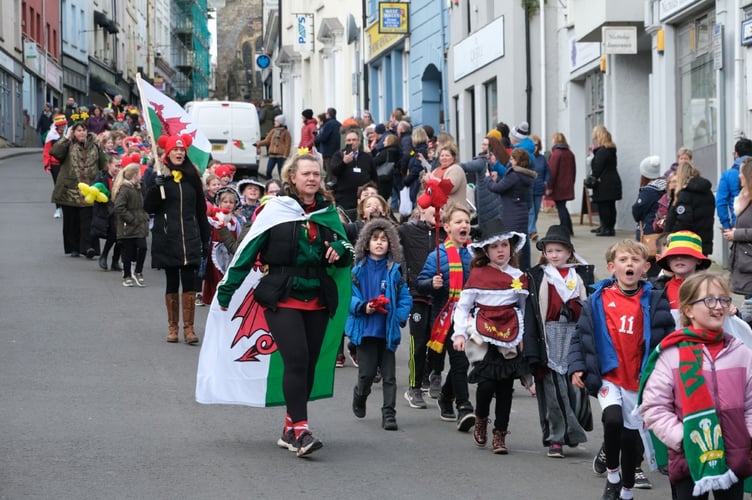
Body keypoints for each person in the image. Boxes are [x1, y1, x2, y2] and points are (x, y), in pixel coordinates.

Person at [216, 153, 354, 457]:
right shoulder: (275, 210)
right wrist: (226, 291)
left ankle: (290, 427)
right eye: (306, 173)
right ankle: (302, 431)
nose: (312, 179)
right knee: (296, 358)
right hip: (280, 294)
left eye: (316, 174)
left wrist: (339, 250)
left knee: (309, 363)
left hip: (318, 294)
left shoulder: (327, 212)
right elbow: (247, 251)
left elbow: (347, 250)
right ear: (292, 177)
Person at [568, 239, 675, 500]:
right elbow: (580, 337)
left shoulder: (655, 301)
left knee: (630, 440)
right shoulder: (597, 300)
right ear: (611, 267)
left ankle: (626, 490)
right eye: (623, 260)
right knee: (612, 419)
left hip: (639, 381)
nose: (629, 264)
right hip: (608, 375)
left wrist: (667, 374)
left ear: (645, 268)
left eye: (635, 260)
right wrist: (578, 366)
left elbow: (666, 339)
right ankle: (613, 474)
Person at [639, 272, 752, 500]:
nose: (719, 306)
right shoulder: (672, 353)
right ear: (688, 310)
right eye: (709, 300)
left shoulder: (740, 352)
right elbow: (654, 407)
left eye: (724, 299)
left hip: (734, 456)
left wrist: (746, 436)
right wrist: (682, 438)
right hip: (687, 458)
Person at [451, 219, 537, 454]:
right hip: (483, 334)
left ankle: (500, 434)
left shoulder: (518, 276)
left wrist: (523, 340)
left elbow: (523, 309)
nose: (501, 250)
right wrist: (459, 333)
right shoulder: (478, 275)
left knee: (504, 388)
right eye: (495, 246)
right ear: (486, 251)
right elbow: (463, 306)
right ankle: (480, 418)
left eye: (505, 245)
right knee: (487, 384)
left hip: (509, 335)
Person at [526, 225, 593, 458]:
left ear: (569, 252)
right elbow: (532, 314)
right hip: (549, 337)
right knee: (553, 393)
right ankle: (556, 439)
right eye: (549, 250)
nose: (554, 255)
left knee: (576, 391)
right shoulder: (538, 277)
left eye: (559, 250)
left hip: (574, 337)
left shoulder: (580, 276)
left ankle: (571, 430)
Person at [143, 134, 211, 345]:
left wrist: (205, 236)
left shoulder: (193, 178)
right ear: (168, 153)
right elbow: (149, 208)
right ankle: (173, 328)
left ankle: (189, 329)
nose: (179, 153)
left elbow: (201, 211)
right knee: (172, 282)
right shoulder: (160, 178)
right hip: (168, 237)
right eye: (175, 150)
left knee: (190, 283)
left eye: (182, 150)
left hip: (190, 236)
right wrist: (155, 187)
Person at [348, 218, 412, 431]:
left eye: (384, 239)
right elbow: (349, 295)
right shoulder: (357, 270)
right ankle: (360, 394)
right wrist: (362, 306)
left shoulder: (394, 271)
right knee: (366, 374)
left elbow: (405, 297)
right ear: (366, 243)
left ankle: (389, 413)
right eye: (374, 239)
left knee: (389, 376)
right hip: (366, 330)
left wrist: (399, 315)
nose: (379, 243)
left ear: (390, 244)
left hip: (387, 330)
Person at [416, 203, 475, 432]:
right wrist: (432, 283)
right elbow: (421, 284)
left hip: (471, 317)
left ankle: (446, 395)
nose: (464, 226)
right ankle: (464, 407)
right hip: (448, 316)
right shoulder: (437, 256)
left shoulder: (475, 253)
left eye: (467, 222)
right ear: (447, 227)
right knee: (460, 361)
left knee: (464, 362)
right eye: (459, 222)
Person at [399, 204, 447, 408]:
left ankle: (435, 375)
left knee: (438, 340)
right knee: (418, 343)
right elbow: (384, 234)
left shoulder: (448, 234)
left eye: (443, 209)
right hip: (417, 294)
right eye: (433, 209)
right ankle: (414, 387)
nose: (438, 213)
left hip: (442, 297)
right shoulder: (408, 230)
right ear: (421, 209)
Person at [50, 112, 108, 258]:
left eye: (84, 130)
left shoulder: (95, 146)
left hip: (89, 188)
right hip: (70, 188)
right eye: (79, 130)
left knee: (88, 220)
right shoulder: (67, 145)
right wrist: (66, 137)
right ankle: (74, 247)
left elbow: (103, 164)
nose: (82, 133)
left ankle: (88, 248)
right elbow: (54, 152)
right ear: (73, 132)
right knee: (72, 221)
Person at [488, 148, 537, 270]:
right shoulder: (525, 174)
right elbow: (508, 187)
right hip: (522, 213)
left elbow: (498, 188)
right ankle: (525, 269)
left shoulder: (514, 175)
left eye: (511, 159)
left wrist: (488, 179)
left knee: (512, 244)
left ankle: (515, 269)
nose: (510, 161)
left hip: (511, 214)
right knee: (523, 243)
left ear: (516, 161)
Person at [664, 161, 715, 256]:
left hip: (687, 243)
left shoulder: (685, 194)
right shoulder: (708, 193)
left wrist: (671, 236)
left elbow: (684, 220)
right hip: (703, 241)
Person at [202, 186, 242, 306]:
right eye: (225, 202)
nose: (228, 205)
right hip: (216, 252)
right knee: (216, 277)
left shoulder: (236, 220)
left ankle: (227, 301)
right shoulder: (215, 218)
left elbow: (239, 235)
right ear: (219, 203)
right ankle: (215, 300)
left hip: (230, 252)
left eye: (231, 202)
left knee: (227, 277)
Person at [113, 162, 149, 287]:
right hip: (128, 226)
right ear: (134, 175)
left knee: (142, 247)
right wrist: (131, 219)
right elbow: (119, 207)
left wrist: (145, 216)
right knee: (128, 252)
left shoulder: (139, 187)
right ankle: (127, 275)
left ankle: (138, 271)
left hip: (139, 224)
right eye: (139, 173)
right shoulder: (125, 189)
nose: (141, 176)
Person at [329, 130, 378, 220]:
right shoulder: (339, 155)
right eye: (349, 140)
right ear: (345, 142)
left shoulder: (366, 157)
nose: (351, 142)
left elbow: (374, 176)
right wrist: (344, 162)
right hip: (344, 198)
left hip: (363, 198)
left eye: (354, 140)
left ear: (359, 141)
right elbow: (334, 171)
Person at [632, 155, 667, 275]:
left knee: (650, 263)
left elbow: (637, 210)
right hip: (663, 229)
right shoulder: (666, 186)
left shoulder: (649, 191)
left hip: (649, 231)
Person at [723, 157, 752, 297]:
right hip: (745, 263)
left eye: (741, 172)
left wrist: (737, 234)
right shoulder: (744, 199)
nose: (739, 175)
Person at [91, 155, 123, 272]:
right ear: (109, 165)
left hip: (119, 210)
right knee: (114, 234)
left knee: (120, 236)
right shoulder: (101, 176)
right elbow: (94, 191)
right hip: (106, 211)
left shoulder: (122, 177)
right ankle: (104, 256)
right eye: (116, 166)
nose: (118, 169)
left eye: (120, 166)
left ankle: (115, 260)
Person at [589, 124, 622, 237]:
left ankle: (606, 228)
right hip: (612, 180)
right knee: (610, 205)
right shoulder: (611, 149)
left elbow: (597, 167)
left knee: (604, 206)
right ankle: (607, 226)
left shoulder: (602, 151)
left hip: (604, 182)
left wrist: (593, 177)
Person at [716, 138, 752, 232]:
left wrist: (726, 226)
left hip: (738, 225)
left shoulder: (727, 175)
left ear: (736, 154)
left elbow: (721, 202)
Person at [547, 132, 576, 237]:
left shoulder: (556, 154)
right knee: (562, 206)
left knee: (561, 207)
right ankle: (569, 228)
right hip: (567, 185)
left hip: (558, 186)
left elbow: (552, 172)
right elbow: (574, 170)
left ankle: (565, 228)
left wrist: (549, 186)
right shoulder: (570, 153)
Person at [427, 144, 468, 210]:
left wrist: (434, 180)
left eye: (447, 155)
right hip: (437, 210)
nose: (444, 158)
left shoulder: (456, 169)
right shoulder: (435, 170)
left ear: (453, 157)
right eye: (442, 156)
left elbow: (450, 187)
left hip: (453, 210)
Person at [43, 113, 68, 219]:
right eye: (61, 125)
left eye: (64, 125)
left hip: (67, 163)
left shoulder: (69, 134)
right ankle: (58, 208)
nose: (63, 127)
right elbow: (47, 150)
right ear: (57, 125)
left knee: (67, 186)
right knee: (58, 185)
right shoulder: (51, 135)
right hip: (55, 164)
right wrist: (47, 164)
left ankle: (67, 207)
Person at [528, 135, 550, 241]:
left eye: (536, 144)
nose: (535, 147)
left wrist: (546, 181)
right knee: (531, 211)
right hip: (528, 188)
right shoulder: (526, 157)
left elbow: (547, 171)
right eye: (533, 144)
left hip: (539, 188)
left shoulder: (542, 158)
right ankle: (533, 231)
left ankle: (530, 229)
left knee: (536, 211)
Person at [256, 115, 291, 179]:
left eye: (276, 121)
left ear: (280, 122)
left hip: (281, 156)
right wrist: (258, 143)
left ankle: (282, 185)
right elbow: (267, 140)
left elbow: (287, 145)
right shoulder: (273, 131)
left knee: (281, 172)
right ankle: (270, 182)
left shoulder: (286, 133)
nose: (274, 122)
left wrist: (285, 155)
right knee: (268, 171)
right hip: (272, 155)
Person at [372, 133, 401, 204]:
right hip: (392, 175)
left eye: (385, 140)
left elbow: (376, 161)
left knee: (381, 198)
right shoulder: (397, 151)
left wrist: (371, 152)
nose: (383, 142)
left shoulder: (386, 151)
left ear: (390, 141)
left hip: (382, 177)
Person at [313, 107, 341, 176]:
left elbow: (323, 137)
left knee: (329, 173)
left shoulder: (328, 124)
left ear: (328, 115)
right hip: (337, 151)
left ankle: (329, 186)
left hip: (328, 152)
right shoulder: (339, 124)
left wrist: (316, 138)